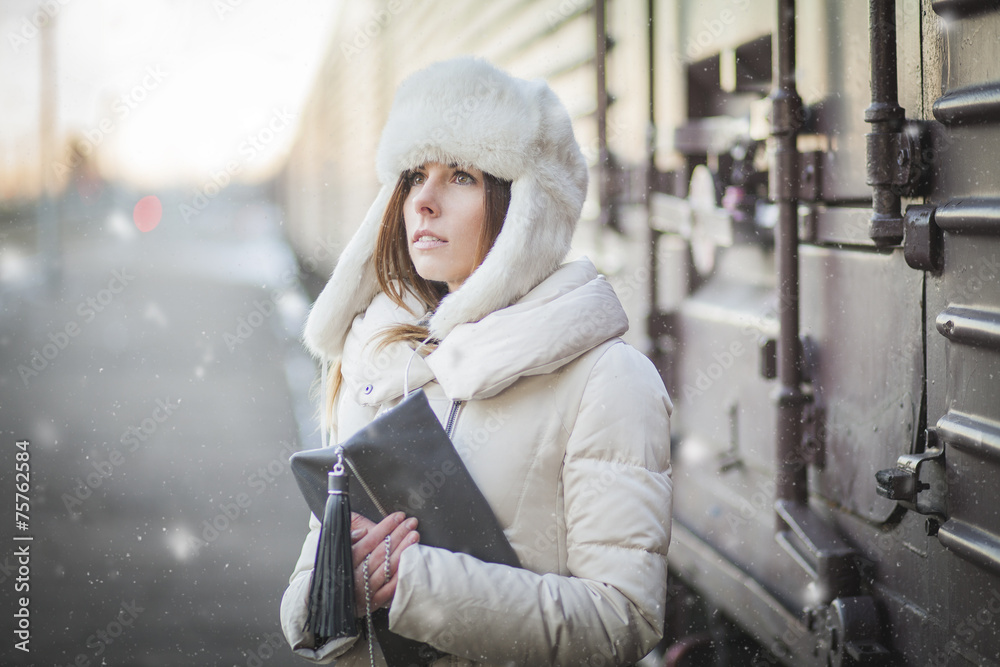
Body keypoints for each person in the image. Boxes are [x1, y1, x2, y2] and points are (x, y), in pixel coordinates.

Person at [281, 57, 673, 666]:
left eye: (461, 176)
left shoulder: (606, 381)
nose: (424, 202)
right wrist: (335, 592)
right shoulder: (383, 355)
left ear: (525, 209)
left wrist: (411, 584)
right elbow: (312, 584)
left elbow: (621, 621)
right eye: (415, 176)